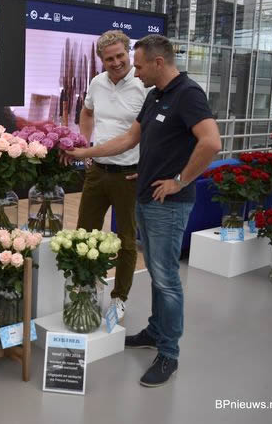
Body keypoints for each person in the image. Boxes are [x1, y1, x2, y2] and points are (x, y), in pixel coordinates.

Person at [63, 34, 221, 387]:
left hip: (169, 203)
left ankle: (168, 353)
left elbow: (211, 142)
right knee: (157, 273)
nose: (134, 71)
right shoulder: (155, 95)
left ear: (157, 62)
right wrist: (85, 153)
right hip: (147, 197)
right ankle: (154, 331)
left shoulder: (188, 94)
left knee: (167, 280)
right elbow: (129, 140)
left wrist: (179, 181)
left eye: (138, 65)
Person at [77, 30, 148, 322]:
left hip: (129, 175)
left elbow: (156, 132)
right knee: (85, 234)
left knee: (127, 240)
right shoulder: (97, 83)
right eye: (109, 59)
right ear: (102, 60)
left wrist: (147, 166)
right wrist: (85, 144)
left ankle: (119, 298)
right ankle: (87, 285)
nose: (116, 62)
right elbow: (87, 113)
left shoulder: (144, 85)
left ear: (128, 53)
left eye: (120, 56)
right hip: (97, 172)